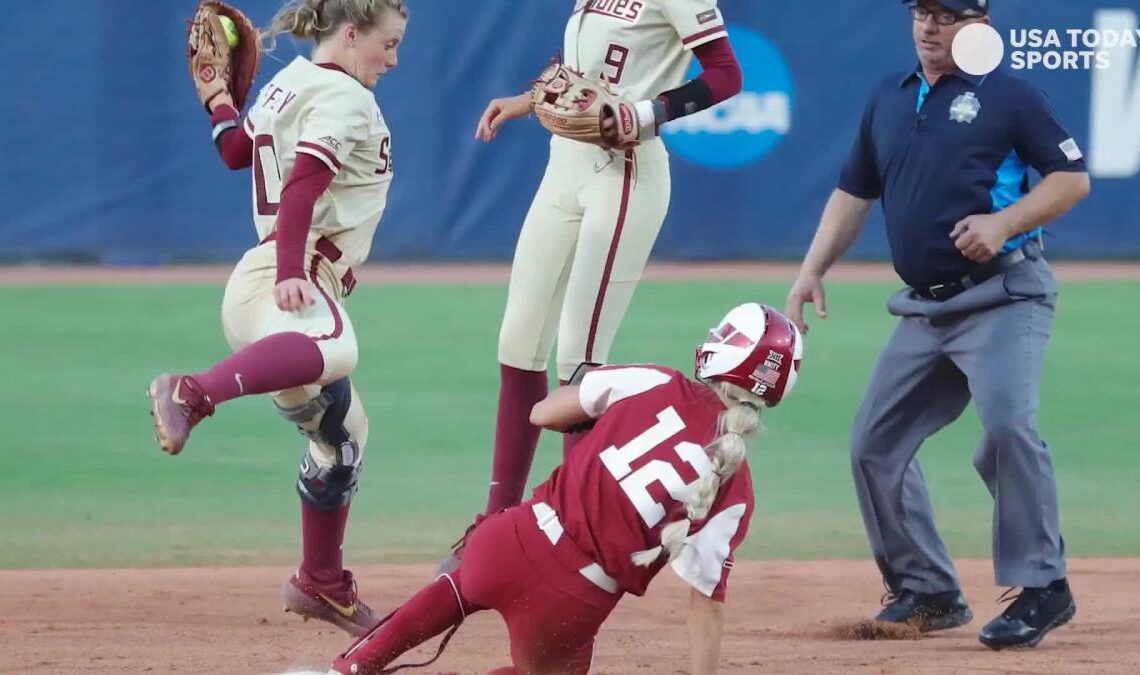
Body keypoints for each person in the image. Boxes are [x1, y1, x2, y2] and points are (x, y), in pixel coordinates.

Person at [786, 0, 1091, 651]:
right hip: (924, 308)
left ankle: (1044, 586)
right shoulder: (889, 98)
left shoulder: (1009, 94)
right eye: (921, 12)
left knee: (1008, 424)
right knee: (874, 442)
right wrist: (812, 268)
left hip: (1004, 296)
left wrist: (1004, 223)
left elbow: (1071, 179)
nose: (928, 26)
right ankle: (927, 587)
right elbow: (852, 191)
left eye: (946, 15)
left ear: (978, 24)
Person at [322, 303, 802, 675]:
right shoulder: (734, 487)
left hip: (512, 538)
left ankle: (349, 667)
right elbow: (705, 602)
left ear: (726, 353)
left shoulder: (656, 380)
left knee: (458, 589)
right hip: (569, 604)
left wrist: (601, 424)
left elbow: (543, 413)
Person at [446, 0, 746, 574]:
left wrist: (646, 114)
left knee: (578, 360)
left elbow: (726, 75)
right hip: (566, 165)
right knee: (518, 341)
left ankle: (570, 544)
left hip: (626, 169)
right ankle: (496, 522)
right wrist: (529, 98)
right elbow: (582, 75)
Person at [146, 0, 409, 637]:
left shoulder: (290, 79)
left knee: (342, 437)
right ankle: (193, 391)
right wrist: (293, 269)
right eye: (388, 43)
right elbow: (303, 186)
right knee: (337, 347)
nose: (393, 59)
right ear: (351, 34)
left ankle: (320, 581)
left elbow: (237, 151)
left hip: (260, 289)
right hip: (287, 279)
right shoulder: (346, 97)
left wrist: (216, 99)